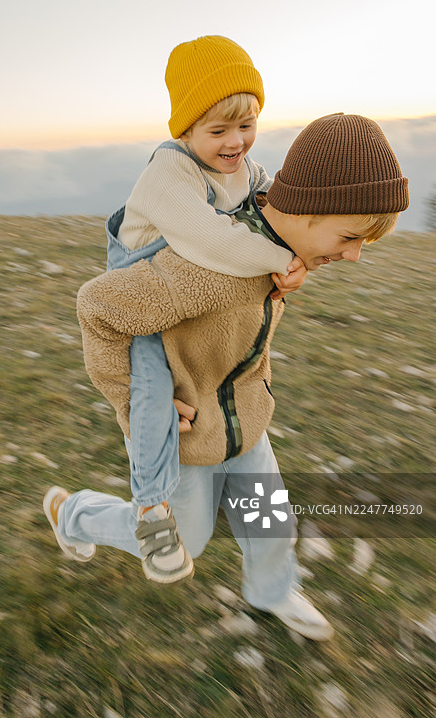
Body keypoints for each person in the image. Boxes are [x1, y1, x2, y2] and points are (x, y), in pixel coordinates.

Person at [43, 112, 409, 641]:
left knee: (270, 520)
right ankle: (73, 513)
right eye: (350, 237)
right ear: (309, 211)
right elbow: (98, 306)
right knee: (184, 541)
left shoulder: (275, 248)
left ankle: (272, 591)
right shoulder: (204, 266)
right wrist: (132, 402)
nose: (352, 255)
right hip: (191, 430)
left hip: (245, 416)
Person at [78, 36, 309, 585]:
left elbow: (271, 197)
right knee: (153, 398)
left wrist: (304, 239)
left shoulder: (242, 167)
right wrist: (283, 254)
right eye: (219, 130)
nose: (237, 142)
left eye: (247, 124)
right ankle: (147, 508)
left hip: (208, 330)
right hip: (144, 299)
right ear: (184, 129)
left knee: (268, 512)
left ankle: (277, 592)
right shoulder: (169, 174)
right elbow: (212, 242)